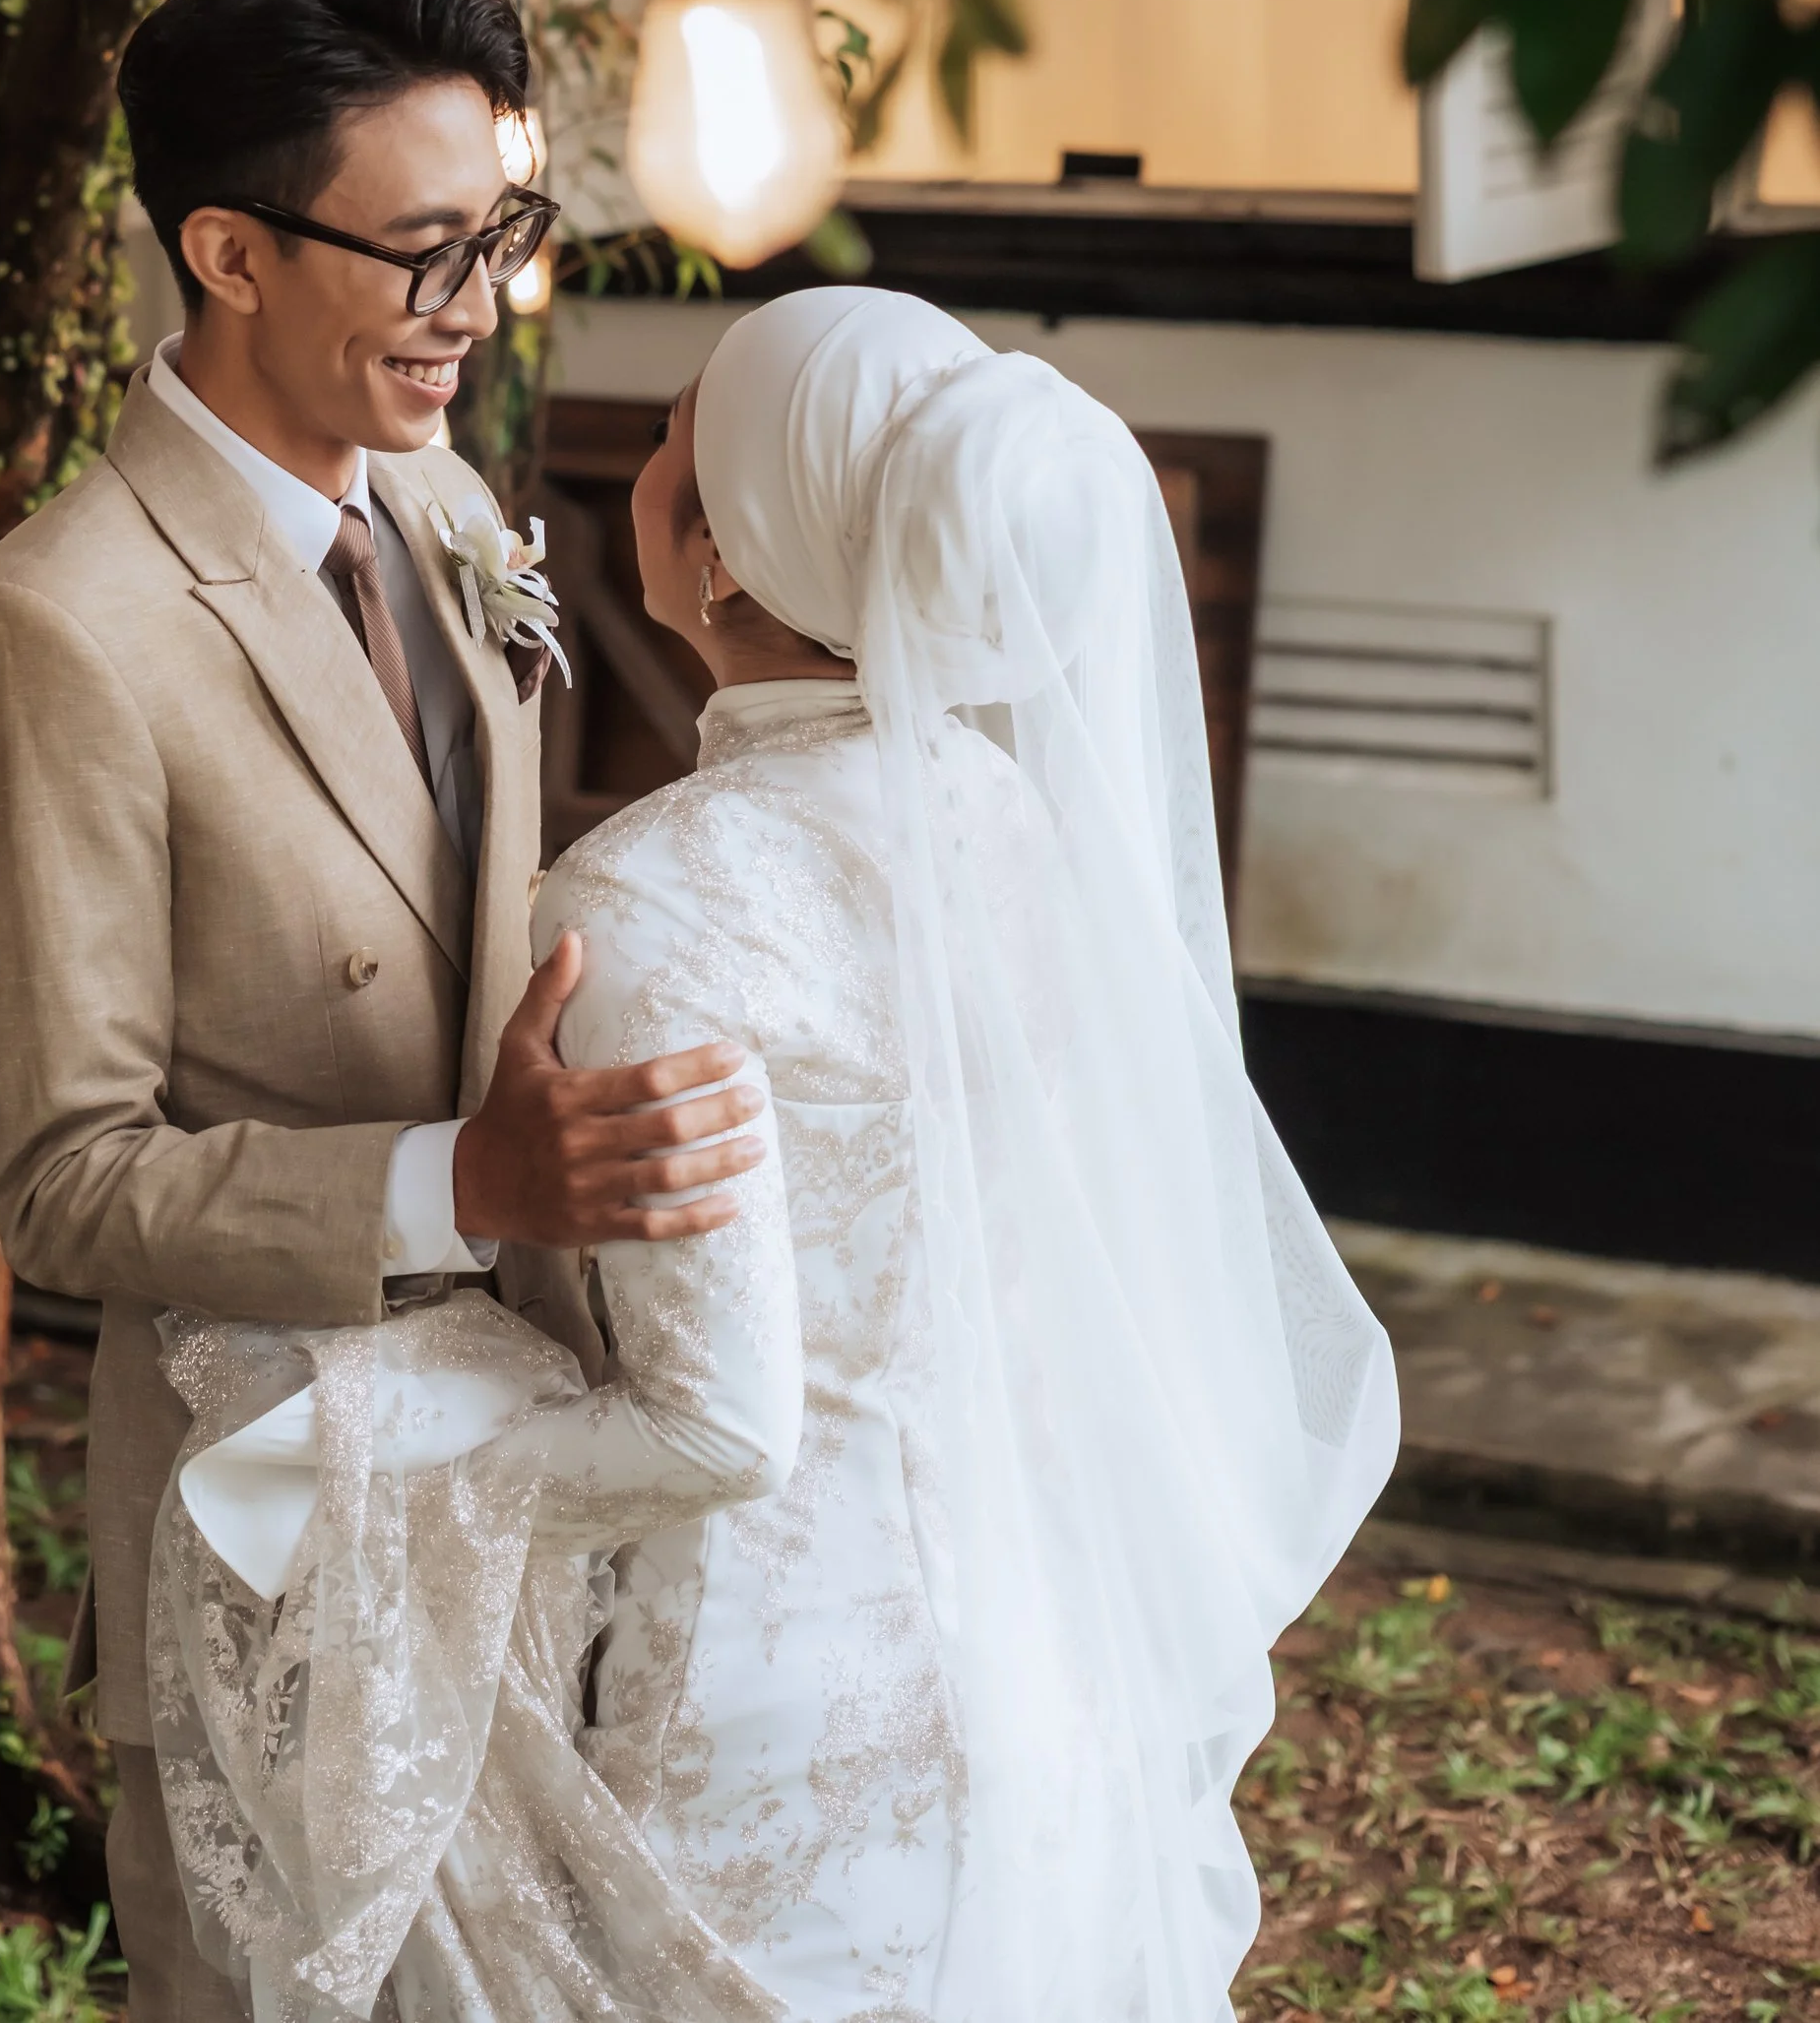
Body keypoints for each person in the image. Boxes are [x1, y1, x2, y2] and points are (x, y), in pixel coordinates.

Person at [148, 284, 1400, 2023]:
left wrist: (367, 1427)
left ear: (716, 550)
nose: (647, 451)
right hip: (1034, 1671)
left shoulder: (654, 899)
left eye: (677, 428)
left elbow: (719, 1427)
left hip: (762, 1726)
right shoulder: (1023, 826)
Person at [0, 0, 764, 2023]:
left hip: (529, 1470)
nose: (472, 306)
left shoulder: (447, 500)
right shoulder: (58, 633)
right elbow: (64, 1178)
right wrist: (459, 1186)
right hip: (271, 1538)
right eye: (417, 254)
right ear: (226, 249)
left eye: (497, 237)